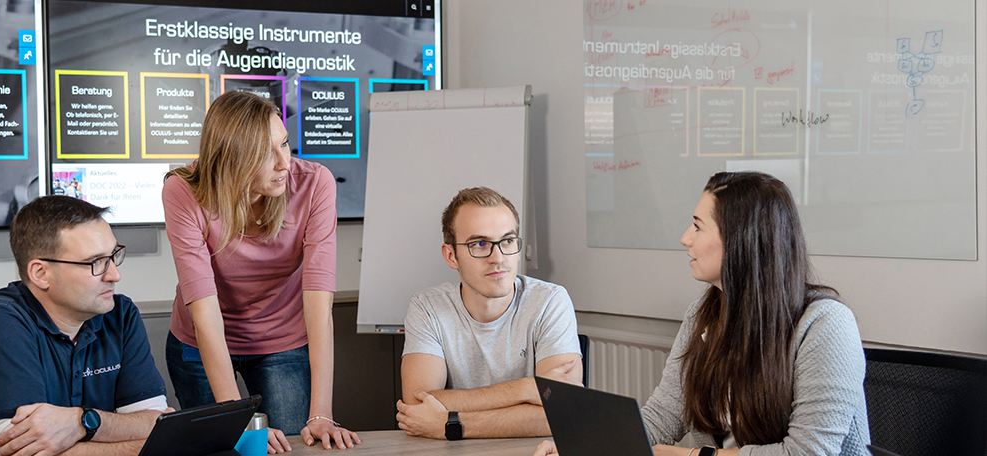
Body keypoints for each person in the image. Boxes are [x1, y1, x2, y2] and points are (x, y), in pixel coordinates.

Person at [534, 171, 869, 456]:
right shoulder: (703, 314)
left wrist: (694, 455)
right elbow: (662, 417)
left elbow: (807, 453)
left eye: (697, 226)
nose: (685, 238)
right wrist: (584, 445)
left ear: (741, 239)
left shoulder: (825, 325)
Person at [162, 90, 358, 453]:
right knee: (221, 448)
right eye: (266, 154)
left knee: (289, 445)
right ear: (231, 159)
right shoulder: (183, 190)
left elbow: (319, 306)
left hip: (281, 339)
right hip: (200, 341)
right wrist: (237, 423)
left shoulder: (314, 183)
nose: (285, 163)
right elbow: (205, 314)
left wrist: (321, 414)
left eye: (284, 143)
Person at [0, 196, 170, 456]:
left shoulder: (119, 314)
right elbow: (30, 452)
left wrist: (81, 422)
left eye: (113, 256)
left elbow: (154, 424)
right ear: (41, 274)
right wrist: (138, 445)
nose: (115, 274)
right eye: (95, 262)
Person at [395, 186, 583, 440]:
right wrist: (525, 389)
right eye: (480, 244)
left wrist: (451, 424)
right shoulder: (428, 306)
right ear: (451, 256)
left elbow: (563, 411)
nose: (498, 258)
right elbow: (417, 405)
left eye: (507, 241)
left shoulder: (550, 301)